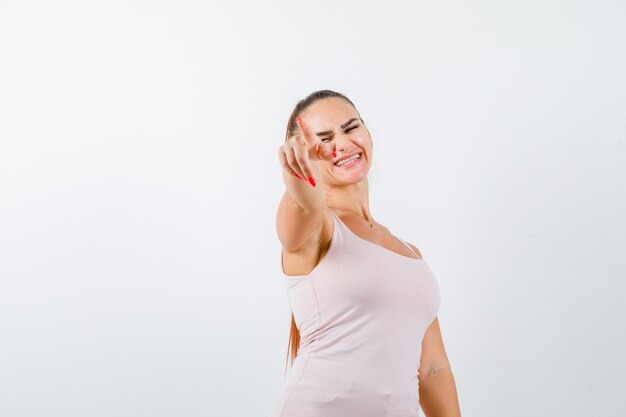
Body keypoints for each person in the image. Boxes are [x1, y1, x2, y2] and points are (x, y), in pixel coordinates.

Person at [271, 89, 461, 417]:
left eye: (350, 128)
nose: (342, 144)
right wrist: (299, 178)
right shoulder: (317, 229)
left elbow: (432, 369)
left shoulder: (409, 253)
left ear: (368, 133)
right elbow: (303, 204)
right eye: (324, 139)